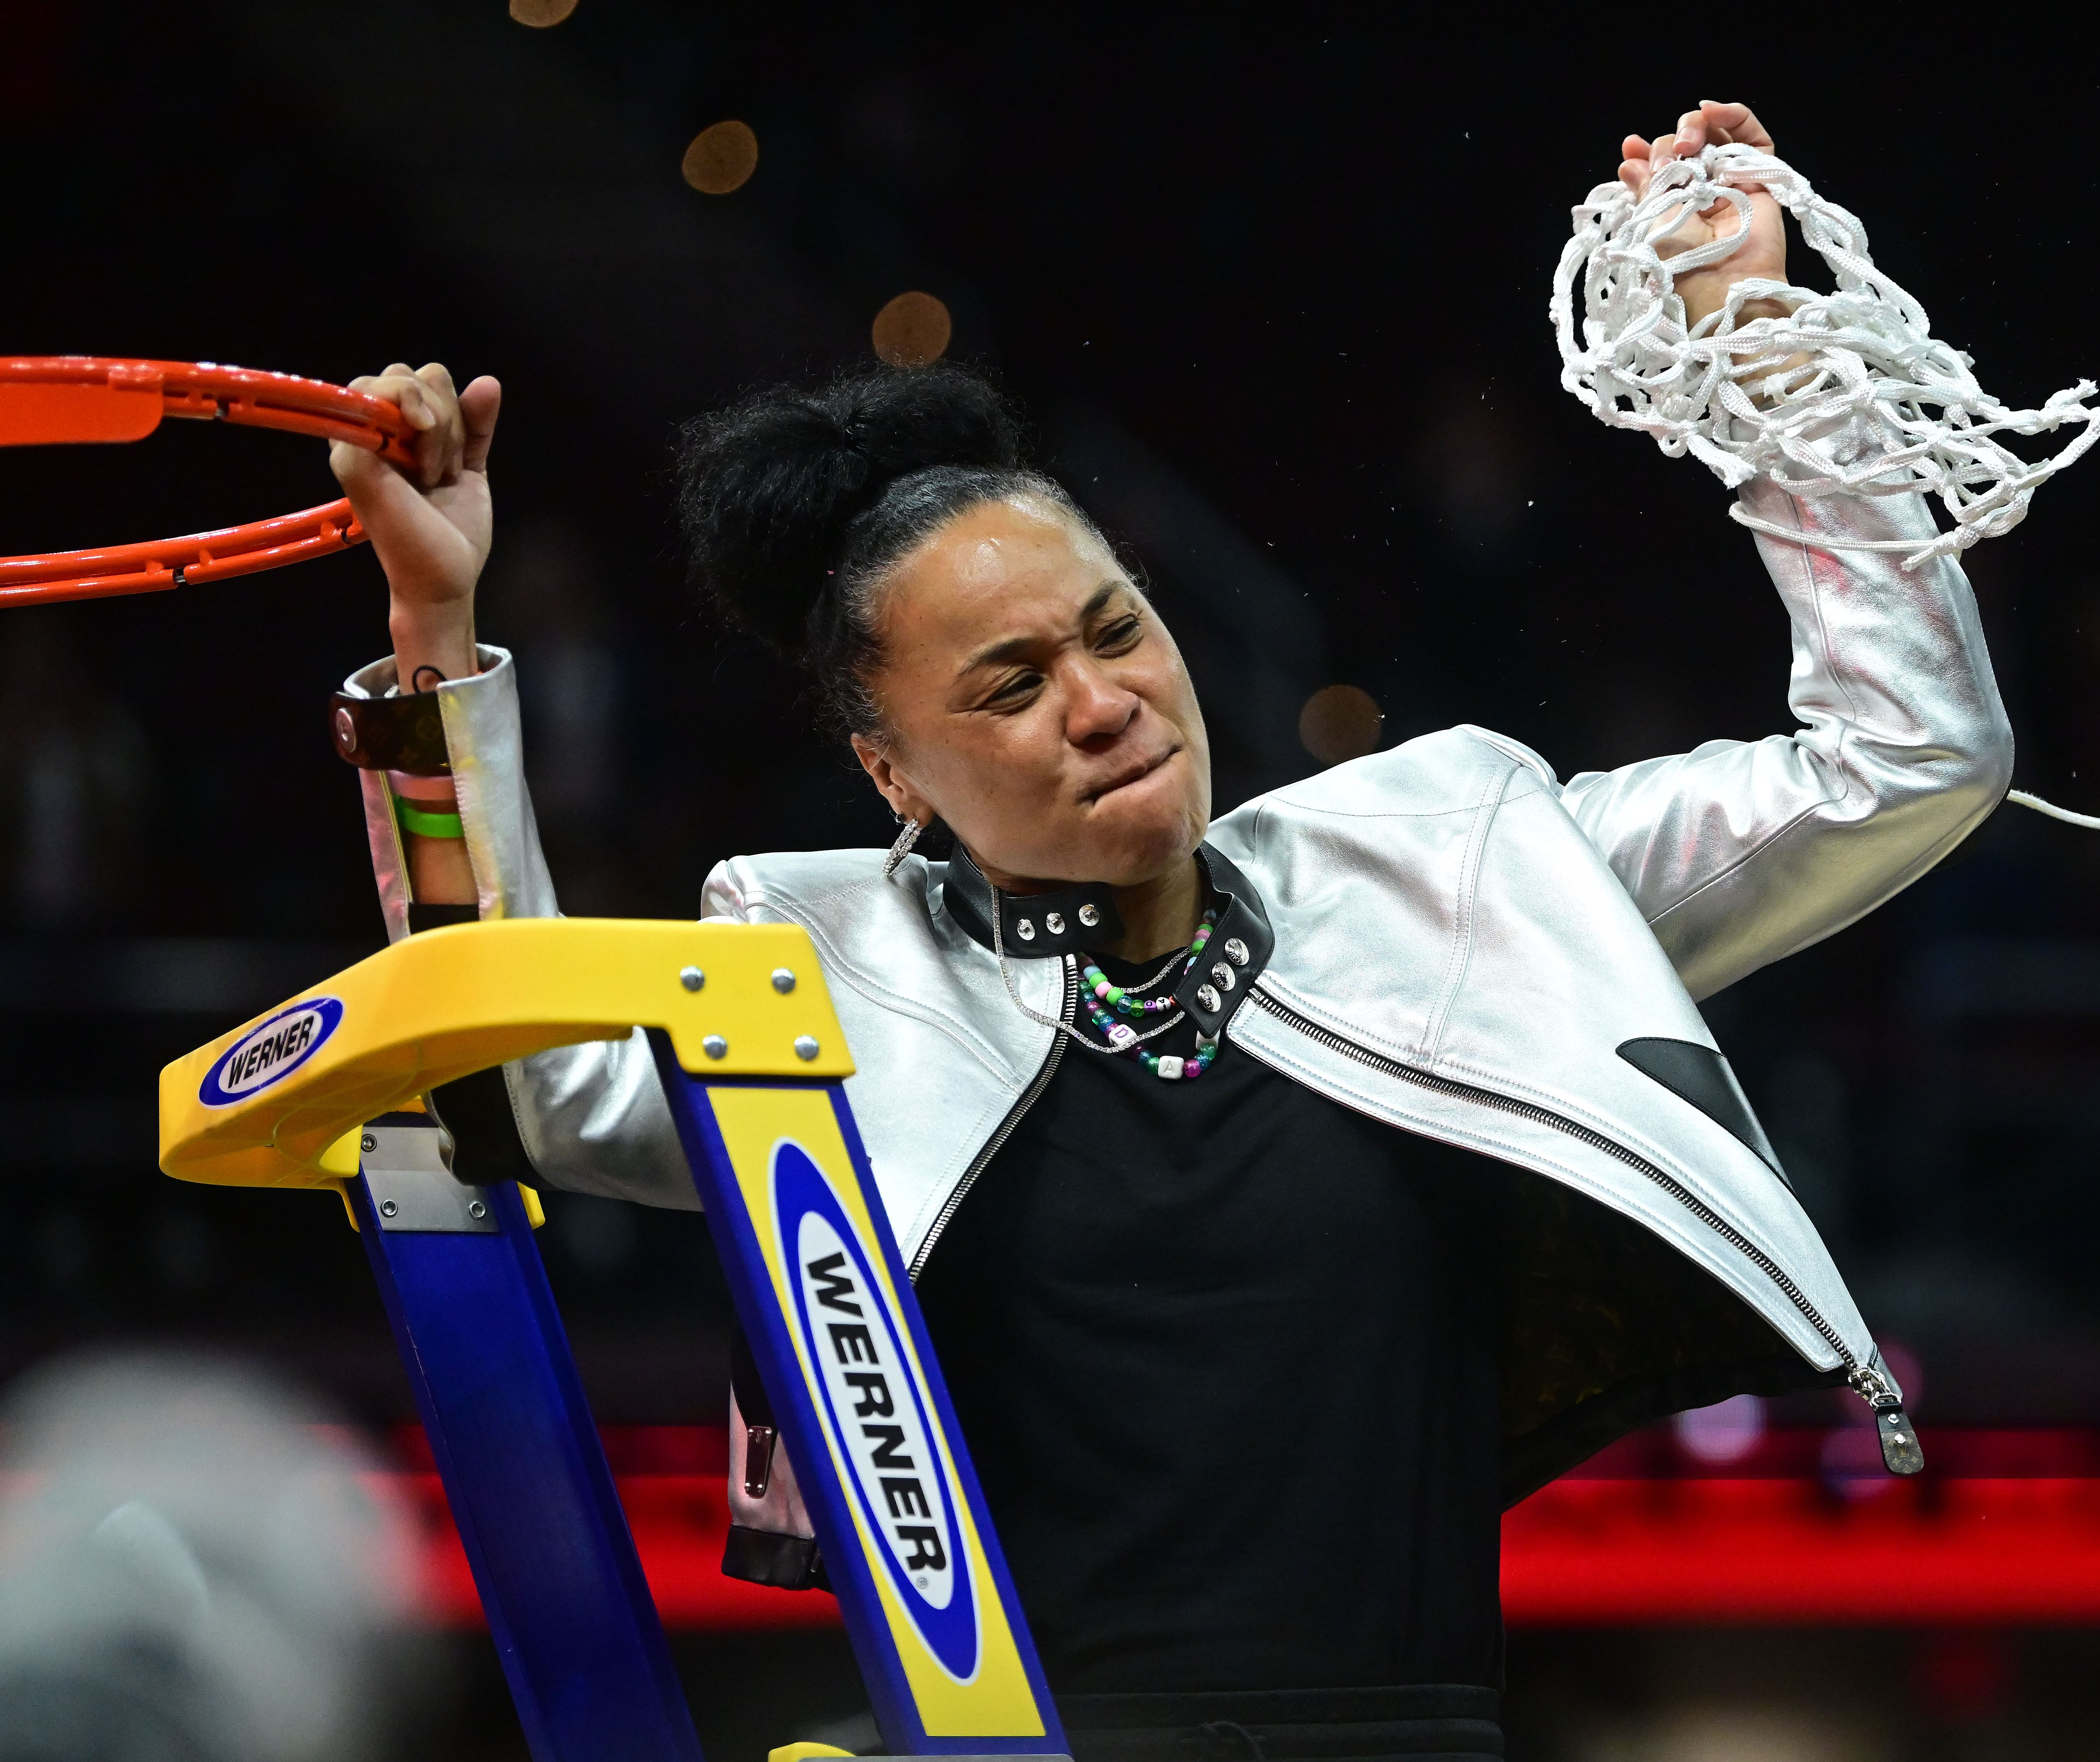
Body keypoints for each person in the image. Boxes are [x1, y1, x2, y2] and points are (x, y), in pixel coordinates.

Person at [325, 101, 2011, 1759]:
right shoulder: (809, 975)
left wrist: (1764, 354)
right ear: (888, 771)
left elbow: (1909, 759)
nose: (1103, 702)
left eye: (1115, 632)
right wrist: (433, 631)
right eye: (1011, 684)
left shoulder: (1461, 867)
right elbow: (517, 1082)